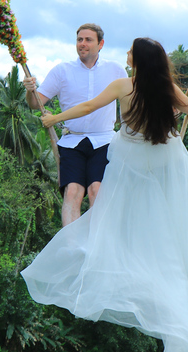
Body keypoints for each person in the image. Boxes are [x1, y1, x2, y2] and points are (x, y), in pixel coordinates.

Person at [21, 37, 188, 352]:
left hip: (132, 159)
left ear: (138, 60)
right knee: (164, 225)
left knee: (119, 214)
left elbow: (88, 106)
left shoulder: (124, 85)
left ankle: (118, 257)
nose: (126, 55)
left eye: (130, 52)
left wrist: (56, 118)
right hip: (167, 158)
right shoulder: (166, 87)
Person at [23, 23, 127, 227]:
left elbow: (130, 102)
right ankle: (72, 247)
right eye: (79, 40)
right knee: (72, 191)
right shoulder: (61, 71)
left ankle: (97, 244)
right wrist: (29, 90)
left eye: (88, 40)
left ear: (101, 44)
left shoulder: (115, 70)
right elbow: (36, 103)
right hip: (71, 141)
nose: (83, 44)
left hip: (104, 140)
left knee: (96, 189)